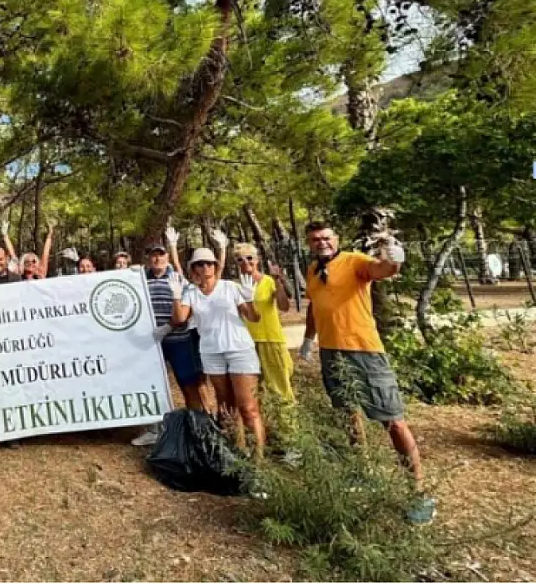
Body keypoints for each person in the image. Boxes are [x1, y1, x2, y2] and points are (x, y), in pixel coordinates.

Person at [299, 221, 434, 523]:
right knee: (347, 413)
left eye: (326, 237)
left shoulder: (355, 261)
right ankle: (362, 472)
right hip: (332, 353)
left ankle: (418, 492)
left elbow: (382, 270)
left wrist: (394, 258)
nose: (321, 242)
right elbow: (315, 306)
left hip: (364, 351)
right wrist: (309, 339)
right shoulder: (312, 271)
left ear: (337, 239)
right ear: (309, 243)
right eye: (315, 239)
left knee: (393, 421)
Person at [171, 247, 266, 460]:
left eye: (209, 263)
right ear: (193, 268)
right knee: (225, 406)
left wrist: (250, 299)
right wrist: (176, 296)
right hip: (212, 353)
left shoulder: (230, 287)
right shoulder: (191, 293)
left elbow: (253, 318)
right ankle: (236, 455)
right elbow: (179, 319)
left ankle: (259, 462)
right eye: (200, 264)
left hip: (239, 349)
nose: (205, 267)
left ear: (215, 266)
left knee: (248, 407)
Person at [132, 228, 207, 447]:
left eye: (161, 254)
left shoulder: (179, 279)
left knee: (188, 384)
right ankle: (155, 429)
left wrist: (169, 326)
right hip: (151, 343)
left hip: (179, 341)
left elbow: (186, 311)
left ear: (166, 257)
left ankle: (198, 429)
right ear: (148, 258)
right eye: (153, 255)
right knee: (151, 386)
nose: (157, 258)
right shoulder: (139, 279)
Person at [234, 243, 296, 406]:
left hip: (270, 339)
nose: (245, 262)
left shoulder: (268, 281)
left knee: (279, 387)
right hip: (246, 343)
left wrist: (278, 280)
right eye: (240, 259)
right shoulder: (235, 286)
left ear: (257, 260)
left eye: (249, 258)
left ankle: (289, 427)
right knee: (256, 390)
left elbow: (284, 306)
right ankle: (266, 427)